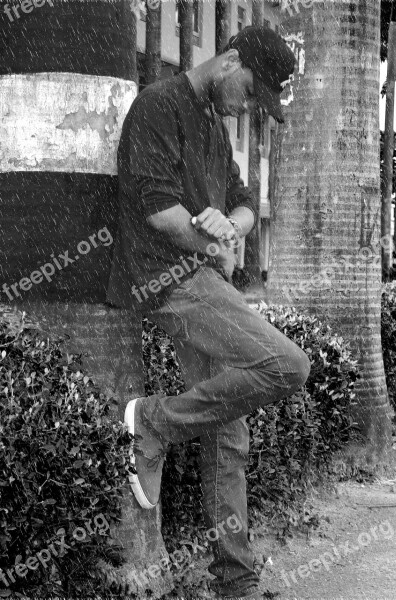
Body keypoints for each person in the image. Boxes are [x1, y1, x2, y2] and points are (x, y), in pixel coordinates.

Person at [107, 26, 310, 600]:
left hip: (203, 277)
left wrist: (230, 226)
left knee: (228, 433)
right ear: (230, 61)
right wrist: (209, 238)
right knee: (287, 366)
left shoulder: (215, 131)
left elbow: (244, 204)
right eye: (249, 90)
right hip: (169, 281)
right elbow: (157, 212)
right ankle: (152, 422)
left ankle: (235, 581)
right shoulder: (159, 105)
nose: (247, 105)